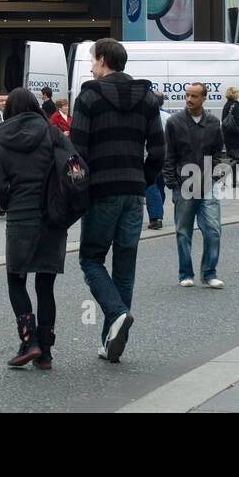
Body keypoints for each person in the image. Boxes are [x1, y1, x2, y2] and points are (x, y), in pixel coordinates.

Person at [71, 38, 164, 364]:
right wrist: (144, 179)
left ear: (104, 61)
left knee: (91, 259)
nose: (92, 67)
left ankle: (116, 313)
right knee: (125, 267)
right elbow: (158, 150)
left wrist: (80, 189)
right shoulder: (148, 100)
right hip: (134, 191)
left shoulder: (89, 97)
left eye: (94, 60)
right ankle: (112, 340)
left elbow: (77, 151)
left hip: (101, 191)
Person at [0, 88, 69, 370]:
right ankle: (45, 352)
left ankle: (28, 340)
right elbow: (71, 166)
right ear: (36, 106)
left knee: (16, 279)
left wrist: (10, 202)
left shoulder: (1, 138)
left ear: (9, 109)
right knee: (45, 284)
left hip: (21, 216)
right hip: (52, 216)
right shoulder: (52, 133)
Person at [164, 82, 227, 291]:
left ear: (204, 98)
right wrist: (172, 182)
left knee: (213, 231)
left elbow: (219, 152)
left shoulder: (213, 122)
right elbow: (169, 155)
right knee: (183, 232)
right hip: (183, 185)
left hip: (207, 184)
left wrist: (215, 175)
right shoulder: (174, 122)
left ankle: (209, 273)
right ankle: (185, 273)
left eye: (194, 96)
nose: (189, 100)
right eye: (187, 95)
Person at [145, 91, 168, 230]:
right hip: (166, 157)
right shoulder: (169, 118)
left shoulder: (146, 117)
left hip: (150, 156)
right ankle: (158, 212)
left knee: (151, 185)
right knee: (160, 186)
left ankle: (155, 217)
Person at [221, 86, 239, 186]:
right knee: (238, 159)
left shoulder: (226, 106)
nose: (238, 95)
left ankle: (234, 182)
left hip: (228, 136)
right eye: (237, 93)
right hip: (236, 137)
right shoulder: (234, 106)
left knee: (234, 159)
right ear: (234, 94)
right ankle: (223, 175)